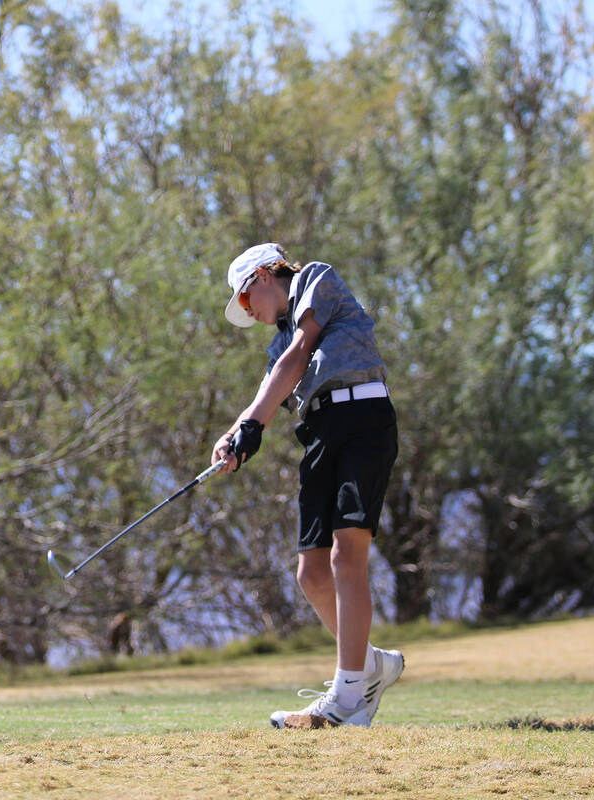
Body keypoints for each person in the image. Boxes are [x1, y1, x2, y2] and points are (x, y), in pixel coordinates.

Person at [211, 242, 403, 728]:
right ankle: (371, 665)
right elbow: (272, 382)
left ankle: (347, 700)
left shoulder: (316, 277)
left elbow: (301, 353)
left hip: (363, 418)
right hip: (318, 432)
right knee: (311, 574)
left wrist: (254, 423)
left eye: (246, 301)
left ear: (262, 278)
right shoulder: (277, 343)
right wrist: (236, 434)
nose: (249, 313)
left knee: (345, 557)